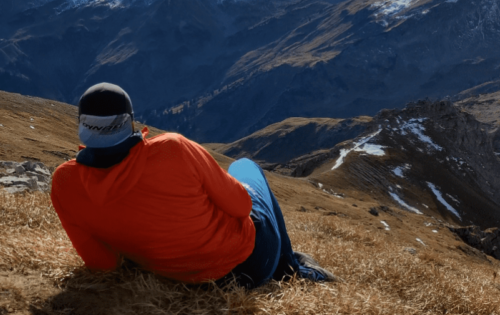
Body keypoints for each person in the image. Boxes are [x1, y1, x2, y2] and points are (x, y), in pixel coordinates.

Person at [49, 82, 336, 288]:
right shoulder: (173, 148)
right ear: (130, 122)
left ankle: (291, 265)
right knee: (244, 167)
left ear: (82, 127)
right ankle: (292, 269)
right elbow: (241, 205)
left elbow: (103, 263)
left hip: (182, 282)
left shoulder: (64, 182)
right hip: (251, 265)